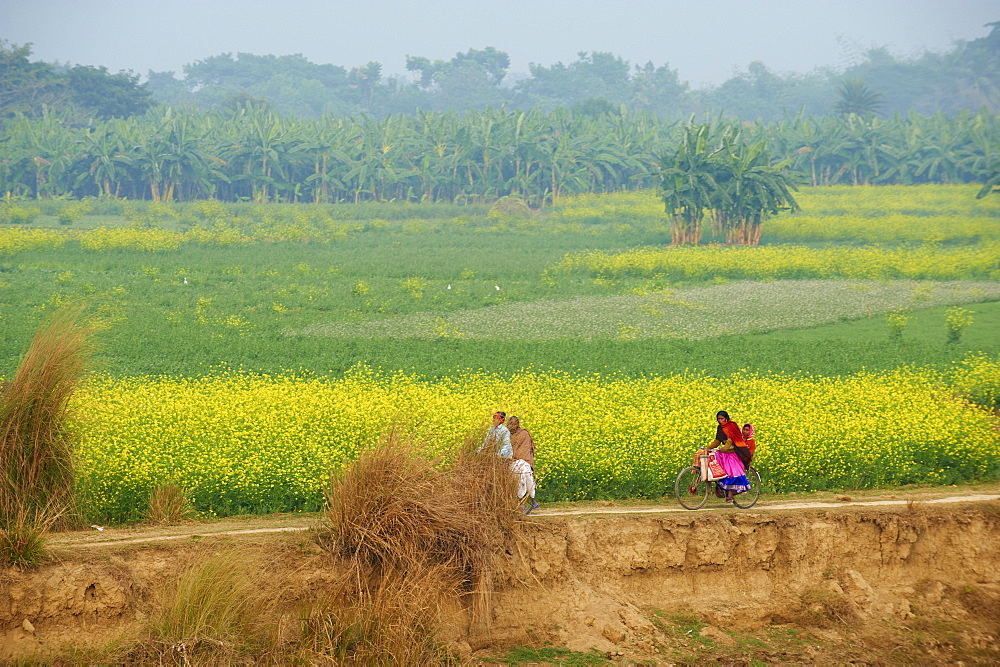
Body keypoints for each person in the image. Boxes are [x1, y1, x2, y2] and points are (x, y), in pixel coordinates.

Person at [711, 410, 751, 503]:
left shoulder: (732, 426)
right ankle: (721, 489)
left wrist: (725, 448)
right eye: (718, 419)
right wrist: (707, 448)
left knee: (730, 473)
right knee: (719, 471)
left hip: (733, 453)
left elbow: (730, 440)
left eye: (722, 419)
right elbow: (717, 441)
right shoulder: (720, 428)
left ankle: (730, 495)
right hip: (724, 453)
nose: (720, 421)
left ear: (726, 418)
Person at [508, 415, 539, 513]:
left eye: (514, 423)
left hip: (523, 460)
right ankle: (524, 502)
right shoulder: (505, 434)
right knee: (518, 474)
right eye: (510, 423)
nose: (512, 425)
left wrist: (519, 458)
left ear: (518, 424)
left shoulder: (524, 434)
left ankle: (528, 501)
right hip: (510, 461)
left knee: (525, 472)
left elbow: (525, 449)